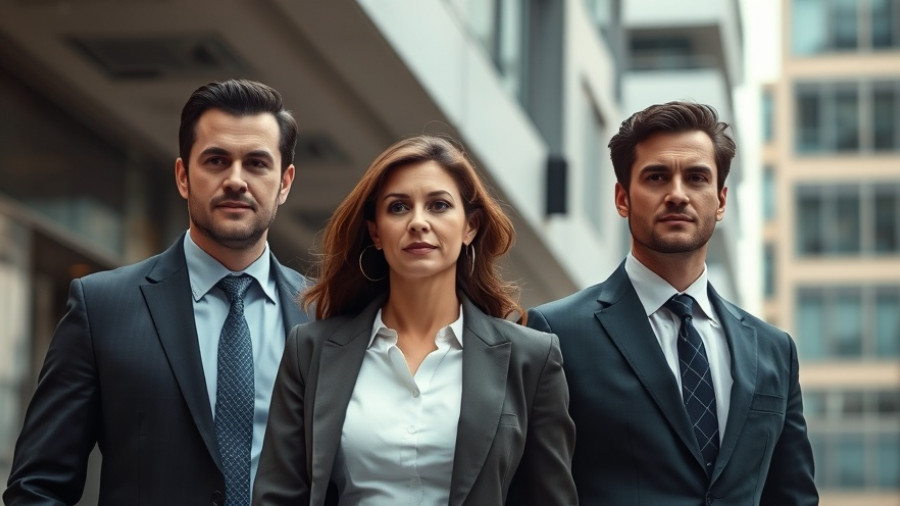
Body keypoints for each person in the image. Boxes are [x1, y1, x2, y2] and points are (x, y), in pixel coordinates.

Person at [4, 79, 311, 506]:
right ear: (184, 176)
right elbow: (37, 488)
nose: (236, 180)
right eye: (216, 160)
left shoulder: (328, 315)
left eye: (257, 163)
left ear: (285, 183)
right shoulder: (102, 307)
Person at [252, 135, 577, 506]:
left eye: (438, 205)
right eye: (398, 207)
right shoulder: (310, 350)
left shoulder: (531, 358)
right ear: (376, 231)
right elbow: (277, 497)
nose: (418, 222)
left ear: (469, 226)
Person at [527, 101, 818, 505]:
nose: (677, 195)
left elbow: (794, 497)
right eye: (657, 177)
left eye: (696, 178)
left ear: (720, 201)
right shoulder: (555, 333)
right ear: (622, 197)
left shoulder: (774, 350)